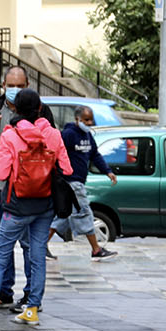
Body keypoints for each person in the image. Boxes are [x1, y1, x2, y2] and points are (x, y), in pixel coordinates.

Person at [0, 88, 72, 327]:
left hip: (16, 207)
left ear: (15, 109)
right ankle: (32, 309)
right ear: (40, 109)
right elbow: (67, 170)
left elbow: (0, 172)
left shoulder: (10, 135)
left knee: (0, 256)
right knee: (37, 255)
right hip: (45, 205)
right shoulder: (53, 135)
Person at [0, 68, 54, 306]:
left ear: (28, 84)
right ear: (3, 85)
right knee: (3, 243)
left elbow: (50, 145)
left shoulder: (42, 110)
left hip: (35, 189)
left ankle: (30, 293)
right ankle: (3, 292)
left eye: (20, 85)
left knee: (30, 245)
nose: (15, 90)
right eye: (11, 85)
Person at [45, 106, 117, 261]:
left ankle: (42, 246)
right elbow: (57, 152)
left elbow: (95, 155)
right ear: (77, 119)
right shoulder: (69, 134)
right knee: (85, 213)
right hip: (71, 182)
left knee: (62, 217)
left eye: (91, 120)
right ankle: (96, 250)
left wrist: (108, 171)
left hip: (78, 182)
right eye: (86, 120)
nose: (89, 123)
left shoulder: (87, 135)